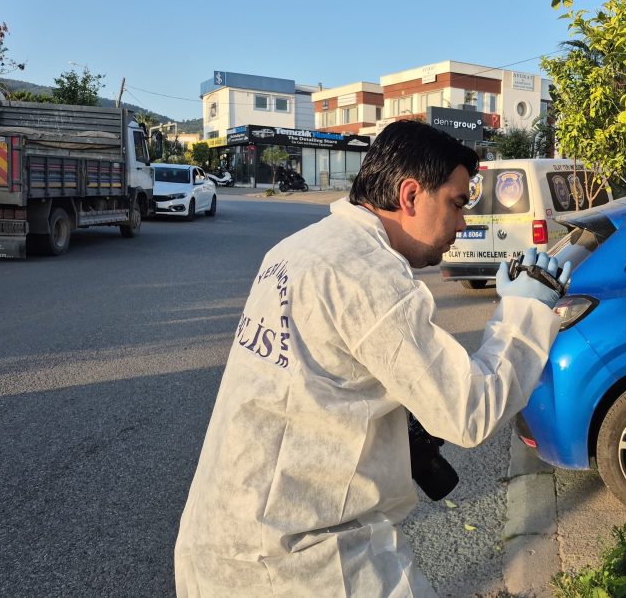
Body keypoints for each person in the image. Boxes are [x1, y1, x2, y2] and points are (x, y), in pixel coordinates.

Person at [174, 120, 571, 597]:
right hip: (304, 563)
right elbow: (470, 410)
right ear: (409, 196)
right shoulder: (371, 276)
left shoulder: (298, 248)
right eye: (457, 203)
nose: (463, 224)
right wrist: (524, 314)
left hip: (223, 538)